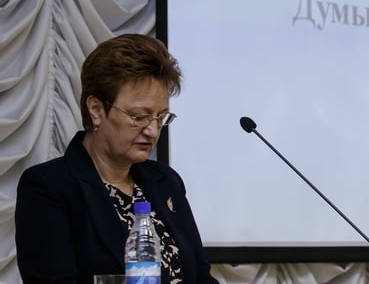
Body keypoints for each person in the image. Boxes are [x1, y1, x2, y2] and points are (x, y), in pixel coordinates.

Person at [15, 33, 218, 284]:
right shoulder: (49, 187)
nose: (152, 130)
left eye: (160, 117)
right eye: (139, 117)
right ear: (96, 110)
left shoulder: (166, 181)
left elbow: (201, 276)